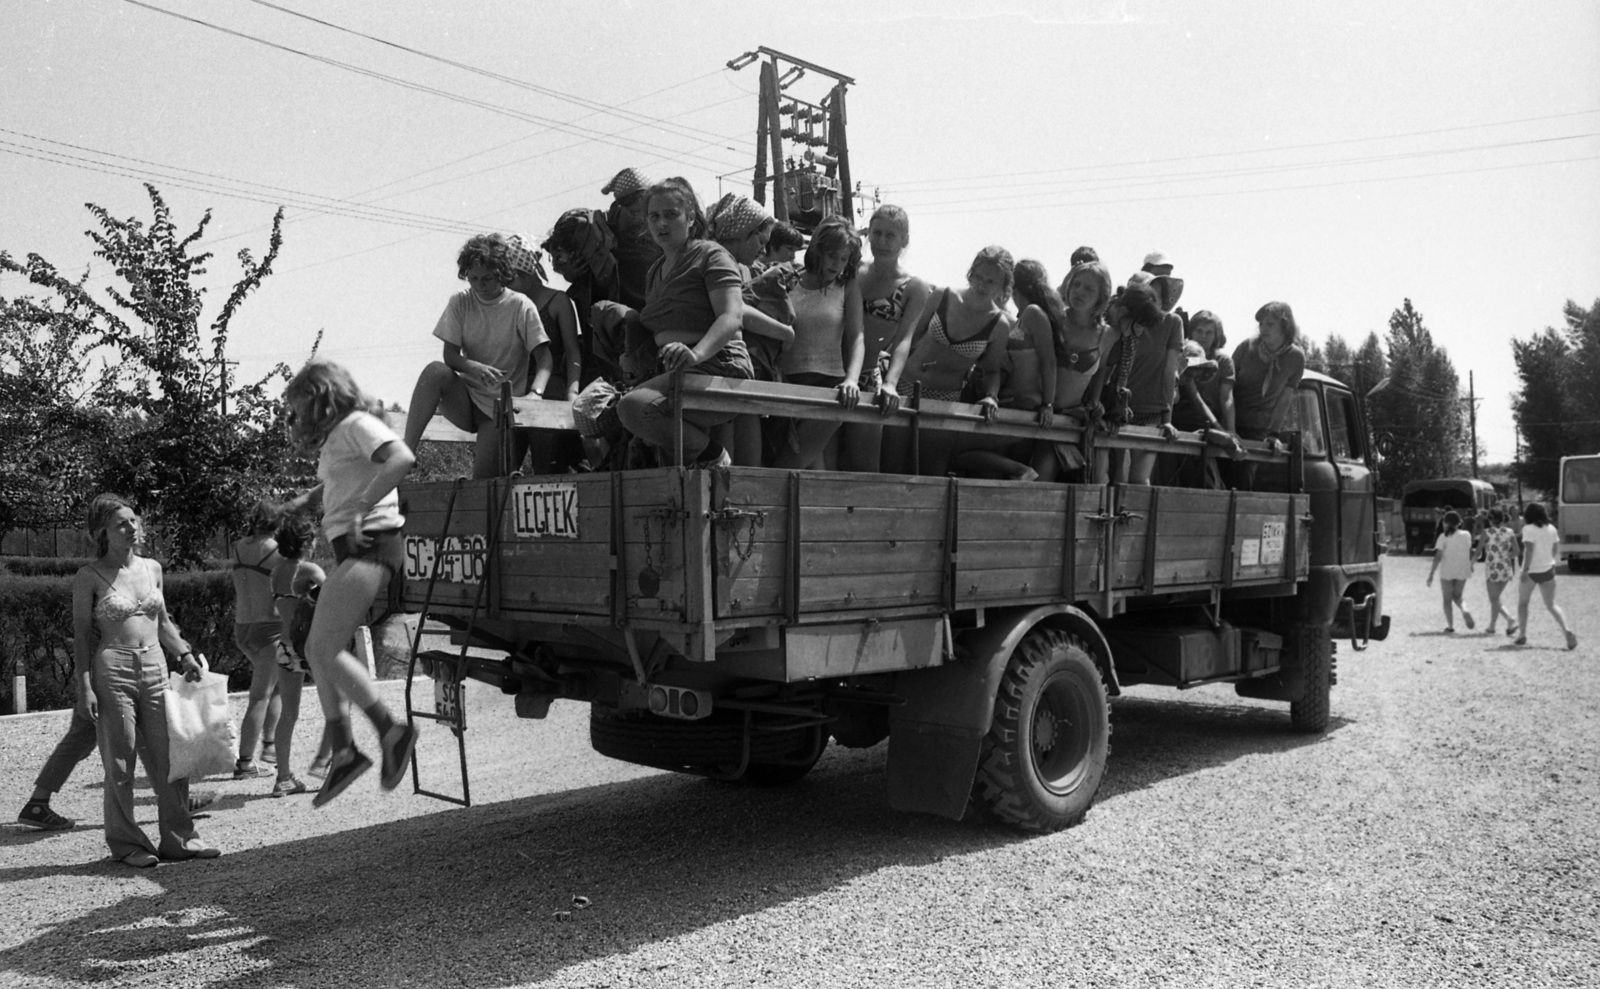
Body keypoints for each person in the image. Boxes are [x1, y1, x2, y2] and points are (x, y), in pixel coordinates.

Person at [282, 359, 419, 806]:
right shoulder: (337, 438)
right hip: (352, 548)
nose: (296, 418)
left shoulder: (358, 423)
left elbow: (401, 457)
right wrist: (308, 499)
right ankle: (345, 750)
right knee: (321, 649)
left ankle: (388, 732)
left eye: (299, 407)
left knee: (320, 648)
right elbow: (345, 479)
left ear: (322, 398)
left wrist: (362, 504)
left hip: (374, 544)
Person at [73, 494, 217, 866]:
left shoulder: (152, 568)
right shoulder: (89, 576)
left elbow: (164, 623)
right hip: (112, 667)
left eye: (134, 520)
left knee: (170, 755)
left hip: (154, 664)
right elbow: (83, 635)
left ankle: (179, 839)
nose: (132, 527)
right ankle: (127, 844)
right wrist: (85, 685)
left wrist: (184, 655)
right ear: (102, 531)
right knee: (120, 760)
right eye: (122, 523)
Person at [611, 177, 752, 467]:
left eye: (671, 215)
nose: (661, 223)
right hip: (676, 369)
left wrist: (696, 353)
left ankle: (716, 458)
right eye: (654, 216)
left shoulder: (710, 255)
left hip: (720, 365)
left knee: (634, 408)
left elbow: (731, 316)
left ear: (690, 218)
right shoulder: (655, 272)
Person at [401, 233, 551, 479]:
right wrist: (474, 368)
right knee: (434, 371)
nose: (480, 285)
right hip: (467, 399)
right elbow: (450, 355)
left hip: (501, 409)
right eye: (473, 278)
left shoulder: (521, 306)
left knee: (483, 486)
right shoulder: (460, 301)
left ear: (502, 273)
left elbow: (544, 358)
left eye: (488, 278)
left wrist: (535, 394)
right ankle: (406, 453)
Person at [881, 245, 1014, 476]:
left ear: (1004, 287)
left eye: (991, 281)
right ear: (970, 273)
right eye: (979, 276)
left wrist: (991, 397)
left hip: (946, 400)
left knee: (932, 473)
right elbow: (909, 336)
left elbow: (992, 370)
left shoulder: (999, 324)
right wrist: (888, 369)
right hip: (905, 386)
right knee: (891, 467)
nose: (982, 284)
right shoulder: (943, 295)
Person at [770, 216, 866, 469]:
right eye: (833, 255)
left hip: (830, 389)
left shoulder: (848, 286)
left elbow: (857, 337)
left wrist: (851, 380)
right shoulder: (789, 280)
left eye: (844, 258)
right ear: (818, 250)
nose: (838, 264)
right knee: (811, 472)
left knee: (789, 466)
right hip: (787, 387)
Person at [953, 258, 1061, 481]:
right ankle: (1019, 473)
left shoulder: (1033, 313)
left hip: (1025, 407)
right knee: (981, 470)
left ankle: (1023, 472)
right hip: (1006, 404)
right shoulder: (1017, 319)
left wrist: (1047, 404)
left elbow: (1048, 361)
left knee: (954, 449)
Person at [843, 204, 932, 473]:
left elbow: (904, 340)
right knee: (826, 463)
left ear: (904, 240)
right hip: (832, 371)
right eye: (876, 233)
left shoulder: (914, 287)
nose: (881, 241)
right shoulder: (851, 270)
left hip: (869, 378)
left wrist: (891, 383)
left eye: (890, 235)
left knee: (865, 468)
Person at [706, 192, 793, 466]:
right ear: (742, 233)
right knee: (728, 465)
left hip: (738, 373)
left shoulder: (740, 266)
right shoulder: (717, 260)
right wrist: (784, 332)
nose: (763, 250)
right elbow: (736, 311)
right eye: (760, 240)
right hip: (719, 370)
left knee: (745, 463)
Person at [505, 235, 587, 474]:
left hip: (551, 386)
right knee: (506, 458)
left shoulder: (557, 301)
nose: (508, 284)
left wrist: (573, 390)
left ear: (526, 272)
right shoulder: (511, 305)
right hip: (518, 387)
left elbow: (572, 349)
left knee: (546, 460)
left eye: (511, 278)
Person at [266, 511, 334, 797]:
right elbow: (333, 601)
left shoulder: (277, 570)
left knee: (289, 714)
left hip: (285, 646)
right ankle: (325, 764)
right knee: (336, 707)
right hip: (312, 646)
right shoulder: (310, 571)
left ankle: (283, 777)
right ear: (307, 542)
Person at [1099, 269, 1184, 485]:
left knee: (1139, 479)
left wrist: (1168, 419)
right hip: (1117, 407)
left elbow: (1169, 372)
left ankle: (1138, 519)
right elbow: (1106, 371)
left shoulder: (1171, 323)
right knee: (1114, 473)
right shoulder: (1118, 323)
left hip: (1151, 409)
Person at [229, 498, 283, 779]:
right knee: (260, 695)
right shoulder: (276, 550)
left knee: (275, 687)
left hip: (243, 629)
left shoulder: (239, 546)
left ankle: (270, 746)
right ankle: (245, 762)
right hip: (269, 629)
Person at [1232, 301, 1306, 441]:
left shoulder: (1295, 358)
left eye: (1270, 324)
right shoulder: (1246, 347)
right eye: (1261, 324)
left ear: (1285, 326)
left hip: (1260, 431)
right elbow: (1226, 388)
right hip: (1232, 424)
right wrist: (1228, 427)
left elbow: (1284, 400)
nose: (1263, 329)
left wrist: (1274, 434)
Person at [1515, 502, 1577, 649]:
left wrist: (1525, 570)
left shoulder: (1528, 529)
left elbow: (1529, 550)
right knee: (1551, 604)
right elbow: (1555, 548)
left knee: (1523, 603)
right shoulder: (1551, 528)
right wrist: (1548, 560)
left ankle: (1522, 634)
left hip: (1532, 571)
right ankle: (1566, 630)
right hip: (1548, 570)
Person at [602, 167, 663, 309]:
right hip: (620, 304)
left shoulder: (658, 224)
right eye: (633, 212)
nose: (639, 217)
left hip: (654, 302)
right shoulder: (607, 226)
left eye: (645, 210)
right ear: (620, 205)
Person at [1426, 510, 1476, 633]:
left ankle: (1450, 626)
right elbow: (1468, 551)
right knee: (1458, 597)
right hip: (1462, 570)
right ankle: (1465, 610)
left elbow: (1438, 556)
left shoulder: (1443, 537)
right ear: (1459, 523)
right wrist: (1470, 565)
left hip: (1447, 571)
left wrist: (1431, 573)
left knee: (1447, 600)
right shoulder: (1467, 535)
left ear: (1445, 523)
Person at [1480, 507, 1520, 635]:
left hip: (1492, 568)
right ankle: (1492, 626)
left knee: (1494, 599)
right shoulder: (1509, 532)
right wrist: (1505, 558)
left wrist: (1471, 562)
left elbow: (1478, 550)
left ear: (1490, 519)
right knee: (1496, 599)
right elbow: (1517, 551)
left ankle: (1510, 619)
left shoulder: (1486, 532)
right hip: (1506, 568)